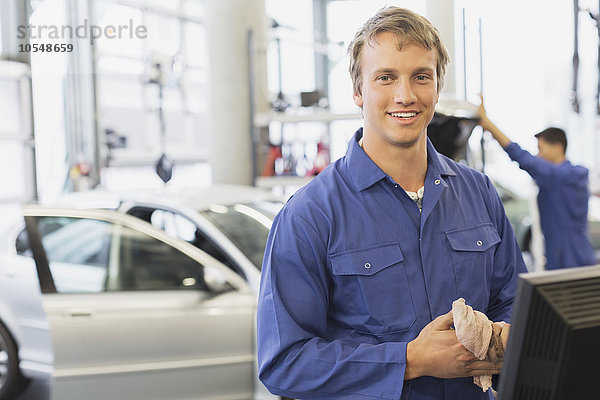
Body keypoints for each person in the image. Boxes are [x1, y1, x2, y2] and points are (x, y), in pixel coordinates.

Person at [257, 7, 526, 399]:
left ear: (436, 87)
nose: (406, 95)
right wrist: (411, 359)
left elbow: (515, 302)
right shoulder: (310, 215)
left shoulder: (479, 193)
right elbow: (284, 363)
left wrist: (506, 336)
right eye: (386, 77)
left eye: (421, 77)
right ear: (358, 91)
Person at [478, 98, 595, 270]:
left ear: (557, 148)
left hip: (570, 260)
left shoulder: (563, 176)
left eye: (541, 149)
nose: (537, 155)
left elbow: (522, 158)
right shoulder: (562, 178)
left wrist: (488, 124)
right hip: (566, 256)